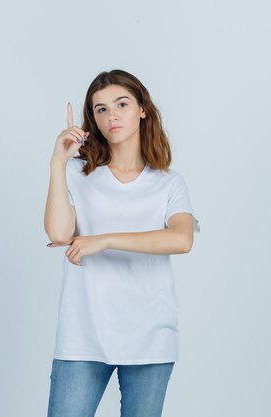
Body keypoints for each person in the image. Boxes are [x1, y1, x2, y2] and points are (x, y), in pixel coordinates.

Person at [43, 69, 200, 417]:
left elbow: (181, 238)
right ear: (93, 121)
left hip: (149, 336)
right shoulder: (77, 173)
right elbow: (58, 234)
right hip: (82, 335)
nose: (111, 115)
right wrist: (58, 161)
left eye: (121, 104)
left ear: (142, 109)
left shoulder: (169, 184)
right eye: (100, 109)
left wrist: (105, 240)